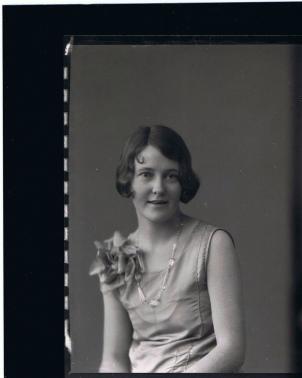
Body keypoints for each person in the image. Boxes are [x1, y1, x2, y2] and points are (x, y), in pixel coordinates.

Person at [89, 125, 244, 373]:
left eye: (170, 175)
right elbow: (113, 360)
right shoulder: (114, 257)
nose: (159, 188)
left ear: (183, 182)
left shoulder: (214, 244)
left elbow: (231, 350)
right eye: (146, 175)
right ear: (129, 182)